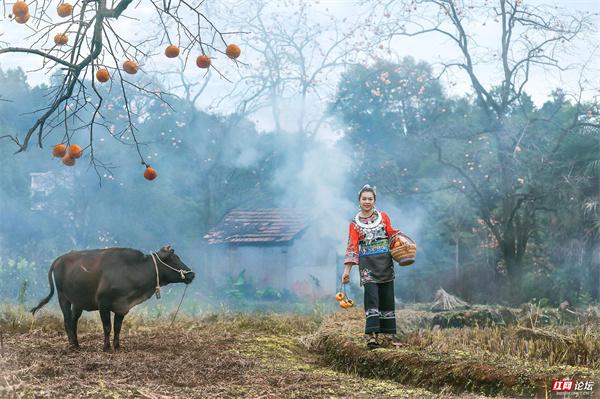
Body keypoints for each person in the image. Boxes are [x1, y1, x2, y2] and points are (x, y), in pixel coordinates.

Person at [342, 184, 400, 349]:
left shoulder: (383, 217)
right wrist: (346, 271)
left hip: (386, 264)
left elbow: (392, 235)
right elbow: (352, 246)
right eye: (364, 199)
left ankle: (389, 335)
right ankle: (372, 336)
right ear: (359, 201)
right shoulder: (355, 223)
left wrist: (403, 244)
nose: (367, 201)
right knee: (372, 297)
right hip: (367, 267)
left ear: (374, 201)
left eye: (370, 199)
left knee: (387, 297)